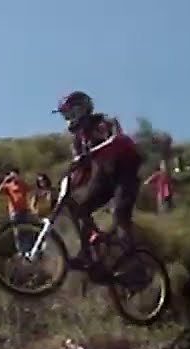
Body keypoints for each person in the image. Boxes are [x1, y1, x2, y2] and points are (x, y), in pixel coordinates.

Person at [52, 91, 143, 274]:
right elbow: (80, 168)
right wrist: (64, 190)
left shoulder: (104, 122)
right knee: (80, 209)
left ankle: (136, 267)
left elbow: (118, 139)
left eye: (70, 114)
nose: (68, 120)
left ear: (82, 109)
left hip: (125, 171)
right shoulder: (78, 140)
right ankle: (89, 252)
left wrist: (92, 153)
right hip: (104, 177)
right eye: (65, 116)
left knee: (120, 213)